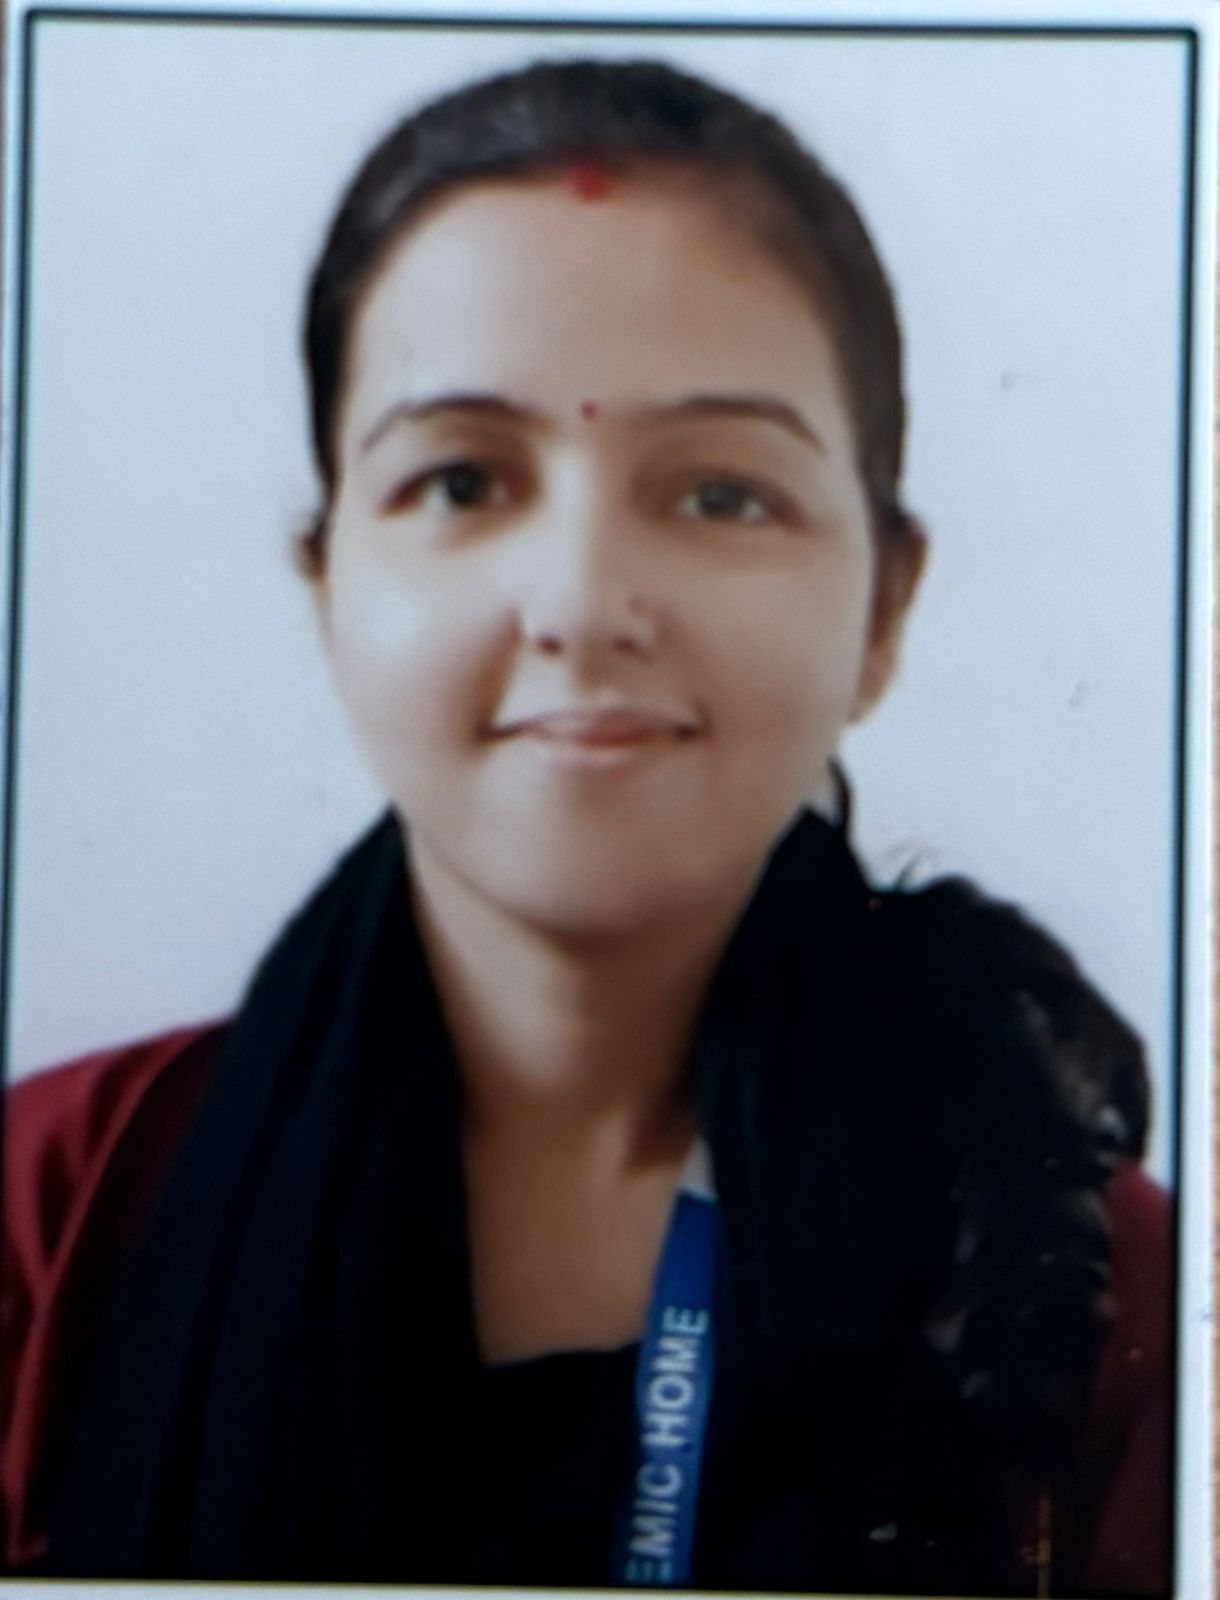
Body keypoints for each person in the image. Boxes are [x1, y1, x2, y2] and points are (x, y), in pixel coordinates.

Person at [1, 56, 1170, 1594]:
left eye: (721, 496)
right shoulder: (53, 1210)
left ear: (885, 606)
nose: (580, 602)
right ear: (326, 581)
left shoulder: (1110, 1301)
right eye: (463, 479)